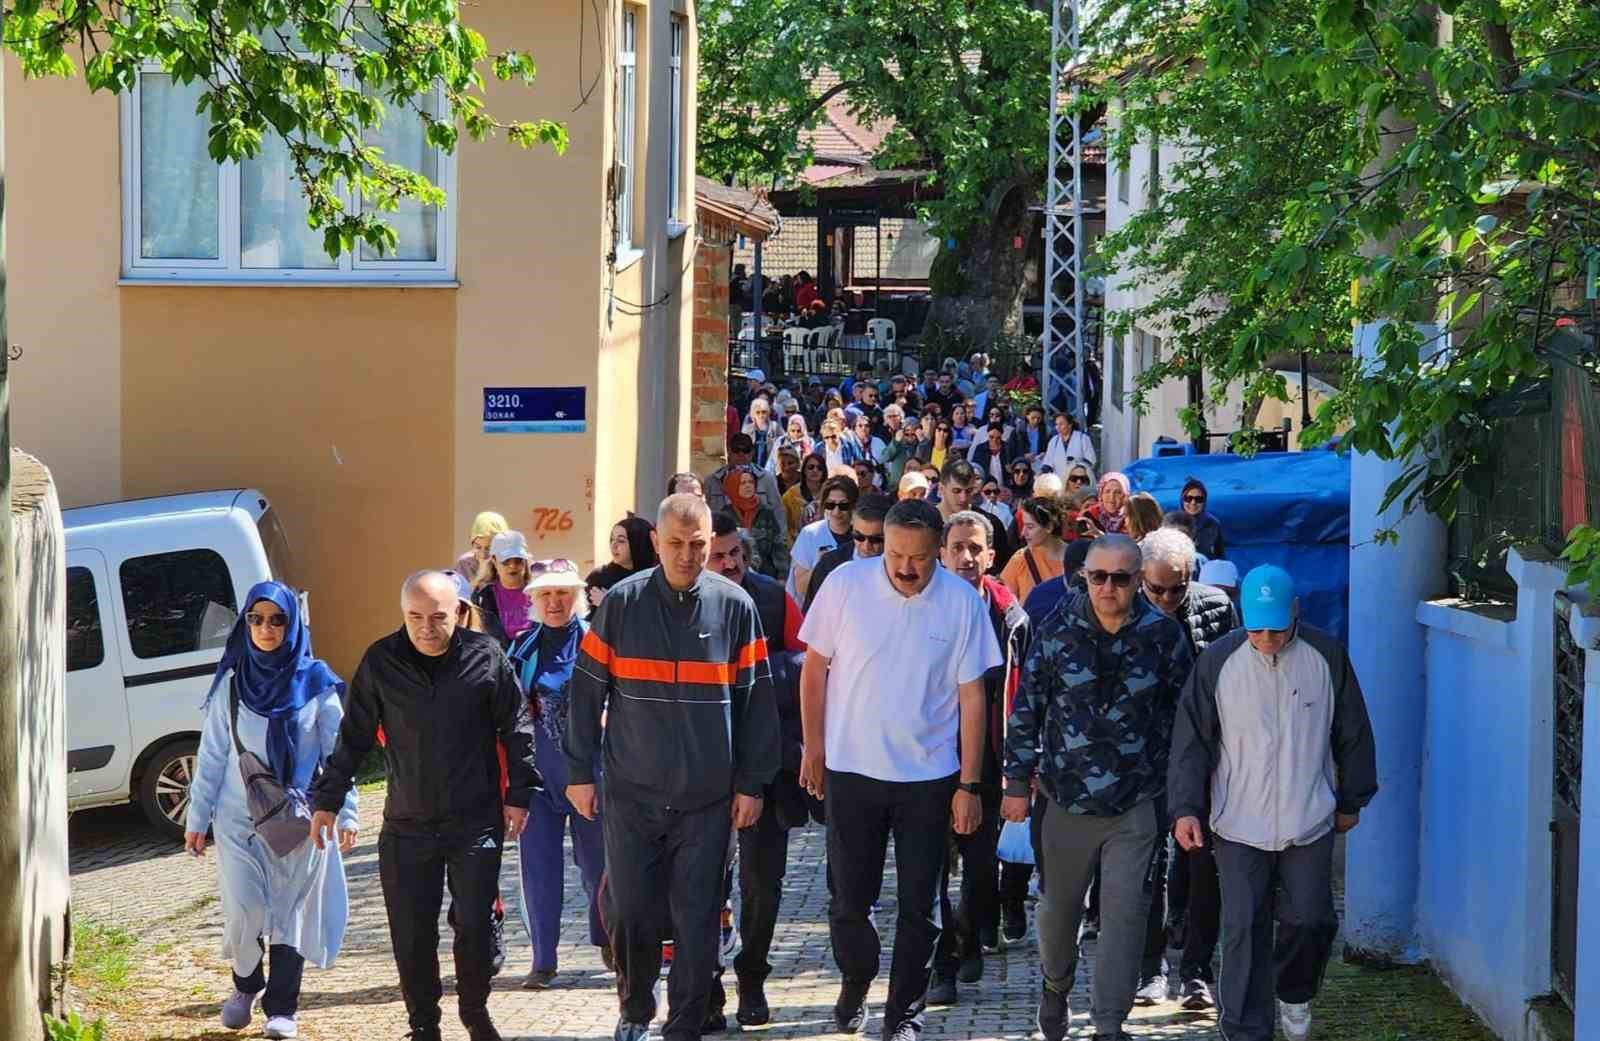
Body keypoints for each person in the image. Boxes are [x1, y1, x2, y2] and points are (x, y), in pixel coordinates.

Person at [566, 494, 781, 1041]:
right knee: (632, 912)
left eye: (699, 545)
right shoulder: (621, 604)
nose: (688, 555)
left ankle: (683, 1025)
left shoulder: (736, 607)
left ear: (713, 544)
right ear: (657, 543)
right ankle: (636, 1008)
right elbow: (586, 695)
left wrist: (753, 783)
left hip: (707, 801)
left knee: (697, 919)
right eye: (677, 544)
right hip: (632, 796)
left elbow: (758, 704)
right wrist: (579, 772)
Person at [799, 500, 1003, 1041]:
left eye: (918, 558)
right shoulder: (844, 585)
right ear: (881, 545)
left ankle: (904, 1015)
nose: (906, 569)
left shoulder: (961, 603)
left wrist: (969, 784)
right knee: (848, 901)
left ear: (938, 551)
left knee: (923, 905)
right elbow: (814, 669)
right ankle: (856, 978)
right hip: (851, 770)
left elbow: (973, 698)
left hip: (929, 779)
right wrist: (813, 748)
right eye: (895, 555)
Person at [311, 572, 538, 1041]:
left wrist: (519, 795)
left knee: (474, 926)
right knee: (412, 934)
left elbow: (517, 727)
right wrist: (328, 800)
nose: (426, 628)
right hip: (407, 825)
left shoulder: (485, 656)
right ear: (403, 615)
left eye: (437, 617)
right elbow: (352, 738)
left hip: (475, 820)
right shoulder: (380, 661)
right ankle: (424, 1025)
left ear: (457, 612)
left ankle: (475, 1013)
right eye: (415, 618)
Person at [1169, 566, 1378, 1041]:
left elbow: (1353, 731)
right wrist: (1185, 808)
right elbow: (1192, 742)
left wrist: (1353, 798)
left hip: (1310, 818)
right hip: (1236, 823)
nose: (1265, 638)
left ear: (1296, 613)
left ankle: (1295, 992)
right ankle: (1245, 1029)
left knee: (1312, 919)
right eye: (1256, 627)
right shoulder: (1217, 662)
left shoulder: (1327, 656)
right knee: (1242, 926)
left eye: (1277, 628)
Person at [1002, 535, 1193, 1041]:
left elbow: (1184, 725)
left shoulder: (1163, 636)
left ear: (1138, 580)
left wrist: (1183, 798)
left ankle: (1110, 1023)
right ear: (1084, 575)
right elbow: (1028, 708)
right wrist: (1016, 781)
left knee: (1126, 916)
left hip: (1137, 800)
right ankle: (1055, 985)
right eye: (1098, 576)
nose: (1108, 587)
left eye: (1121, 578)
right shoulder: (1057, 629)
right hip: (1066, 798)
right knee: (1058, 910)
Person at [184, 583, 353, 1041]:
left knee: (289, 912)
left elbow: (339, 755)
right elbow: (213, 755)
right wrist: (197, 818)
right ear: (244, 624)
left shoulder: (317, 683)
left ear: (292, 624)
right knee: (245, 910)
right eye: (256, 619)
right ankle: (245, 983)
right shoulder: (232, 684)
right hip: (238, 820)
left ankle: (282, 1008)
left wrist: (346, 812)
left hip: (300, 820)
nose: (266, 628)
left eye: (277, 619)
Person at [704, 514, 807, 1027]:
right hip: (700, 771)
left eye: (735, 556)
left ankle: (752, 978)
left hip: (767, 766)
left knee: (763, 883)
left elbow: (806, 661)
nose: (729, 565)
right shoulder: (683, 604)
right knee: (702, 883)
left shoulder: (770, 596)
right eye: (718, 558)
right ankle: (706, 988)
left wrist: (757, 671)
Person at [1133, 528, 1239, 1010]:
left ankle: (1197, 969)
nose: (1169, 598)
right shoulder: (1124, 608)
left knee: (1204, 867)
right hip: (1144, 757)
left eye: (1179, 587)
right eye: (1157, 589)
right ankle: (1149, 970)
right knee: (1146, 866)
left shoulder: (1215, 607)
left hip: (1204, 755)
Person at [928, 510, 1030, 1005]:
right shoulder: (924, 609)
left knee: (978, 865)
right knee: (928, 868)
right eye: (957, 548)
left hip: (990, 760)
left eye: (976, 548)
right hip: (930, 759)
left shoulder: (1011, 618)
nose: (966, 557)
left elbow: (1026, 698)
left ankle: (968, 938)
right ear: (942, 554)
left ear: (991, 556)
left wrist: (1021, 771)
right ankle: (941, 962)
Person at [504, 560, 608, 990]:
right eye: (545, 594)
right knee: (539, 870)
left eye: (563, 593)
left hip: (591, 778)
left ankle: (609, 940)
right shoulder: (522, 649)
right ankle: (543, 960)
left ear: (577, 597)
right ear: (532, 600)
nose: (554, 601)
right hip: (539, 781)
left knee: (598, 868)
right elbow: (507, 714)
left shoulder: (598, 643)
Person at [801, 492, 892, 614]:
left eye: (876, 540)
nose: (866, 546)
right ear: (852, 524)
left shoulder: (899, 569)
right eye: (859, 536)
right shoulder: (830, 565)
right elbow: (811, 615)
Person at [707, 434, 789, 545]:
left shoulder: (766, 478)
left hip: (759, 541)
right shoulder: (713, 480)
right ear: (729, 451)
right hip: (723, 539)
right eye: (736, 450)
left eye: (746, 450)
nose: (741, 455)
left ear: (752, 452)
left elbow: (778, 510)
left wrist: (781, 541)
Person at [788, 475, 859, 604]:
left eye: (843, 506)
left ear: (853, 505)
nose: (836, 512)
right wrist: (820, 565)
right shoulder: (810, 534)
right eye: (830, 505)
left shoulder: (863, 536)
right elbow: (801, 588)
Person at [721, 465, 790, 581]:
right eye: (743, 483)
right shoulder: (726, 515)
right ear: (733, 486)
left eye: (751, 482)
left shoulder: (766, 512)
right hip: (733, 575)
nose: (748, 486)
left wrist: (782, 576)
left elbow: (778, 545)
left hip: (765, 575)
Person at [472, 531, 536, 648]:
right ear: (494, 561)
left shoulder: (539, 591)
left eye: (518, 560)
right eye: (506, 561)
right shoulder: (482, 595)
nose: (513, 566)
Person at [585, 516, 660, 611]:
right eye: (612, 539)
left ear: (638, 544)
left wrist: (610, 604)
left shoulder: (656, 579)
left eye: (621, 541)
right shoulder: (599, 577)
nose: (614, 545)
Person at [1000, 497, 1067, 602]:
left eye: (1030, 527)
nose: (1023, 533)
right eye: (1023, 526)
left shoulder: (1076, 558)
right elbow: (1003, 602)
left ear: (1049, 527)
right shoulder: (1021, 559)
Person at [455, 511, 509, 586]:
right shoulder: (464, 564)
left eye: (489, 548)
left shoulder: (514, 564)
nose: (483, 555)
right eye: (478, 547)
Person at [783, 453, 828, 541]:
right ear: (804, 470)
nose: (815, 470)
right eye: (811, 467)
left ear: (824, 472)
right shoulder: (790, 496)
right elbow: (784, 527)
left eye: (819, 468)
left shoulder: (831, 493)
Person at [1180, 478, 1227, 559]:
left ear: (1204, 501)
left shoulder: (1213, 524)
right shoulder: (1171, 524)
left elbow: (1220, 555)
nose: (1193, 502)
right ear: (1182, 500)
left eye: (1199, 499)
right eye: (1188, 498)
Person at [745, 397, 779, 464]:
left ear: (768, 413)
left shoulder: (775, 427)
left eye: (764, 412)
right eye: (758, 412)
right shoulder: (747, 429)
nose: (761, 415)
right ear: (753, 414)